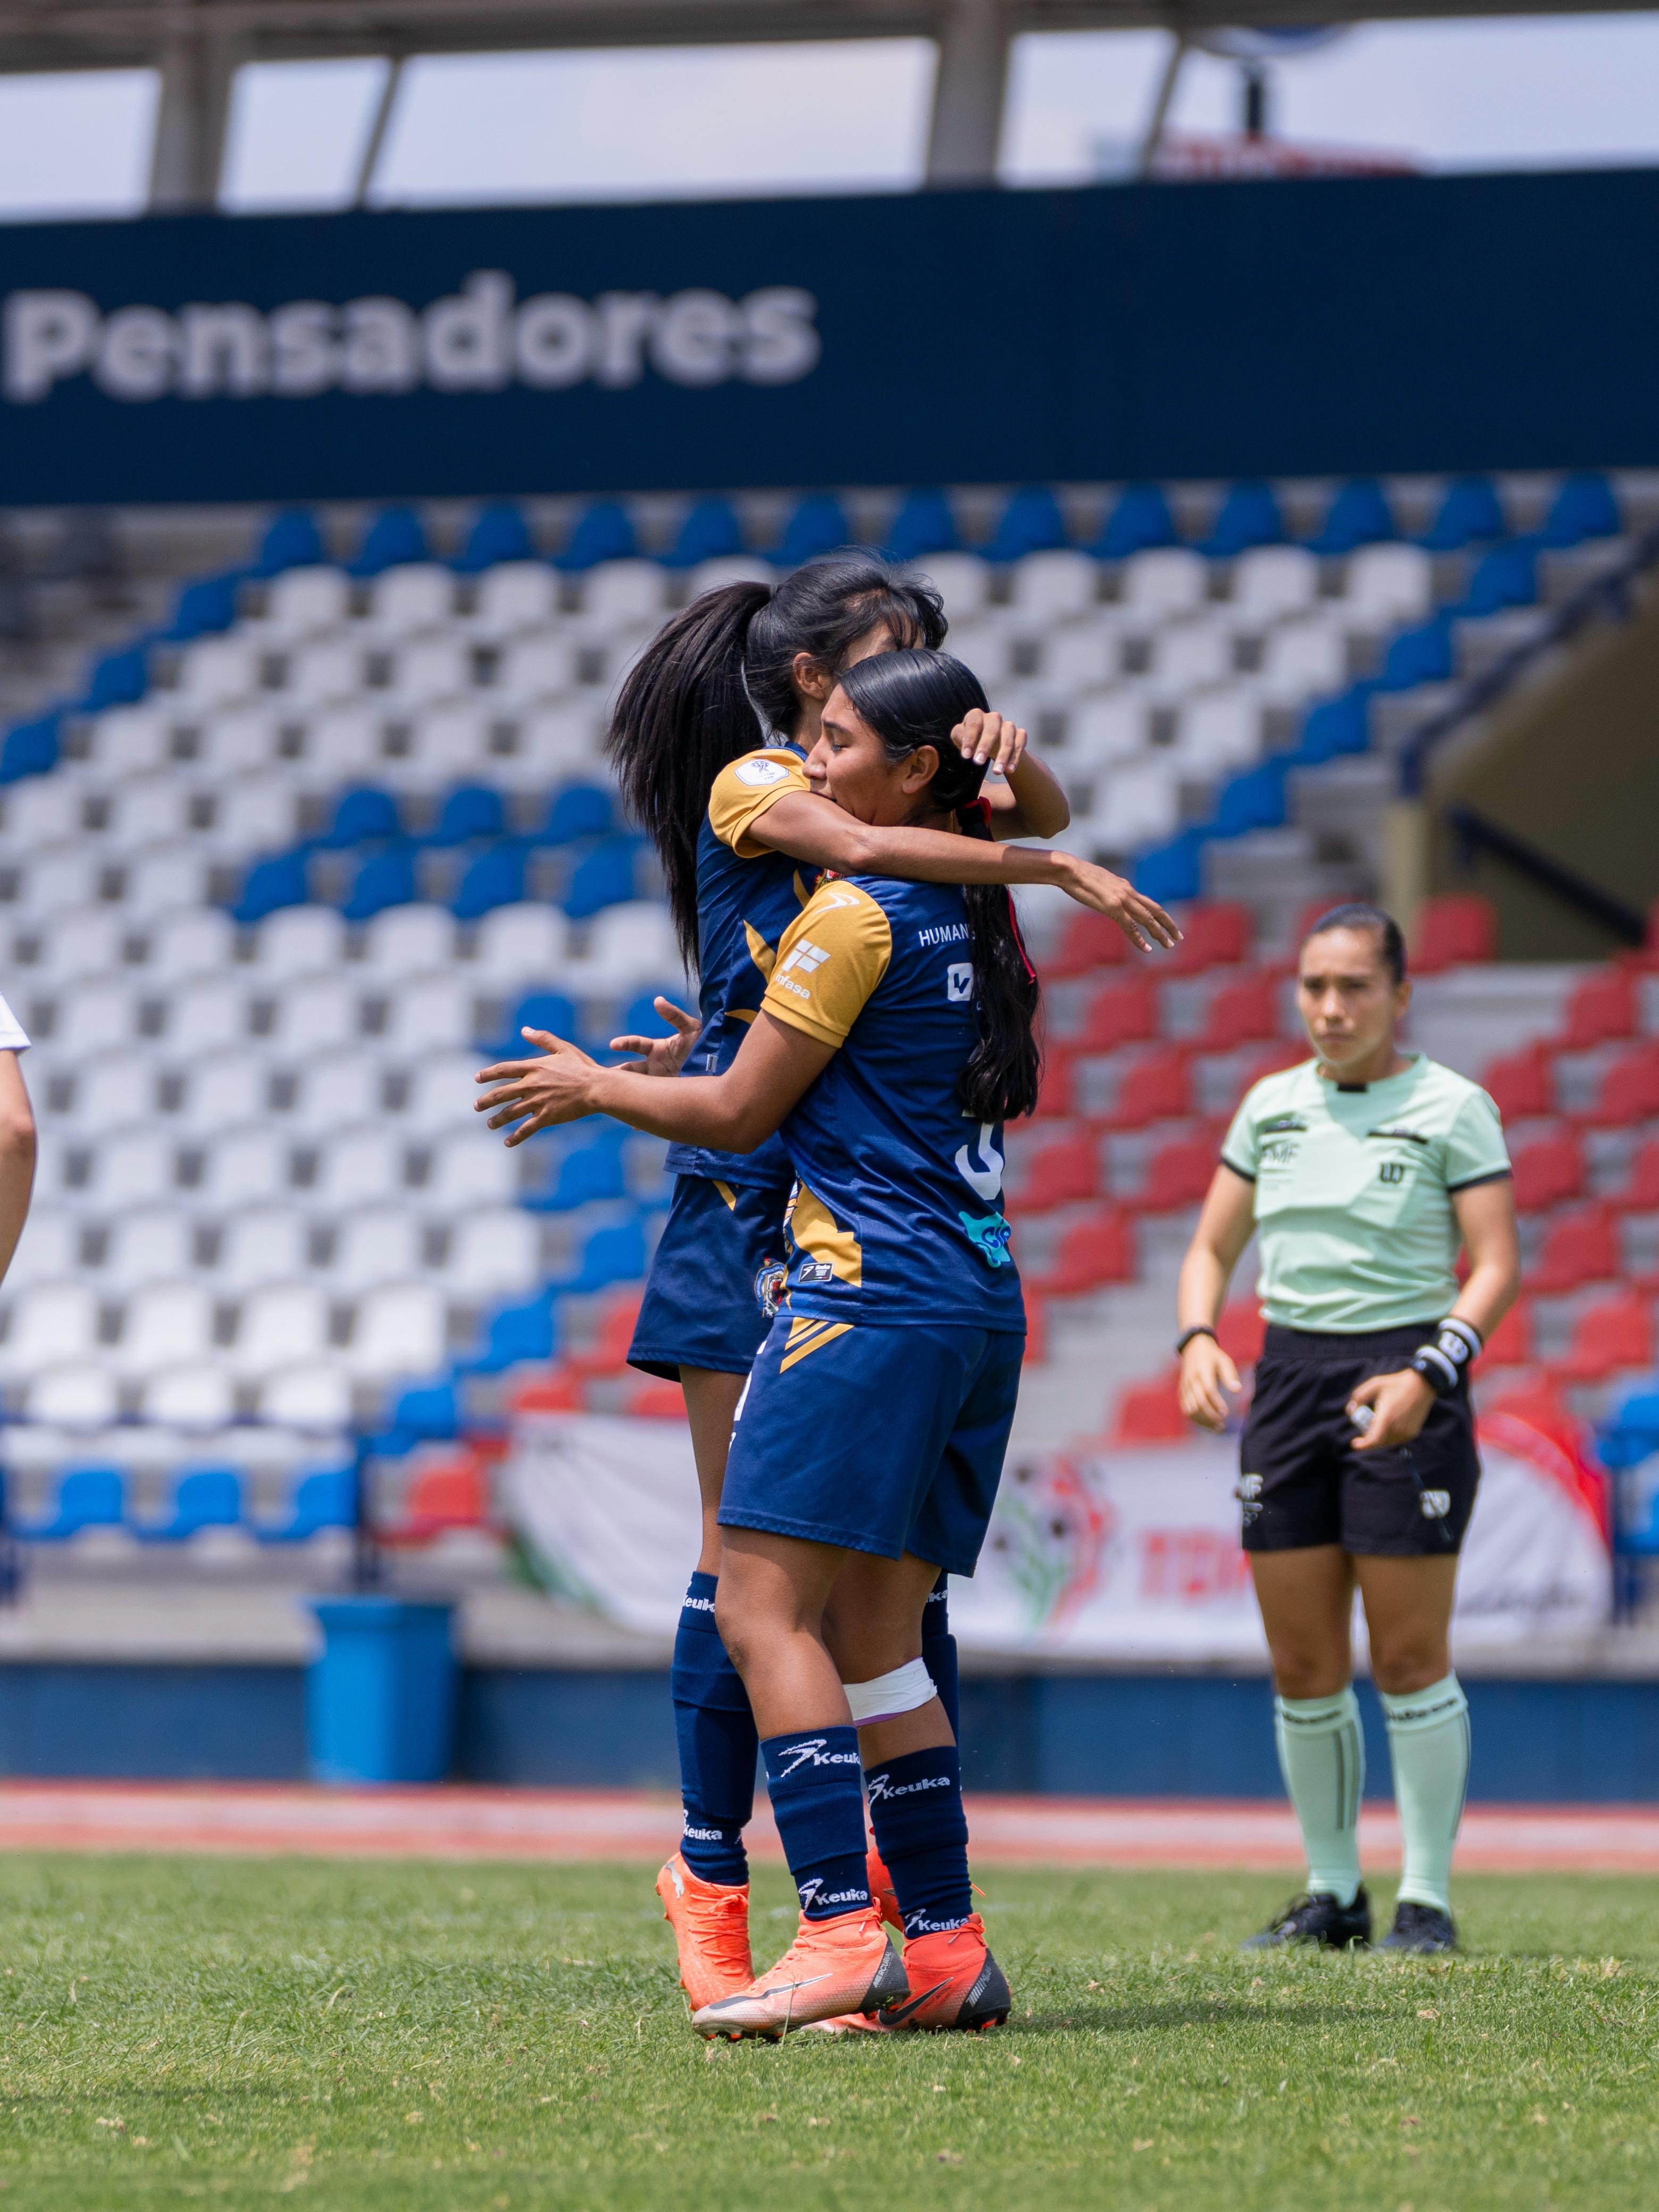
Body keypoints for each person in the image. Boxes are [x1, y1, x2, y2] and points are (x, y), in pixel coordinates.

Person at [600, 555, 1177, 2013]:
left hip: (842, 1218)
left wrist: (1007, 771)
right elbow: (896, 854)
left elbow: (1017, 820)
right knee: (754, 1571)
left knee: (833, 1600)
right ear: (813, 680)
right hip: (769, 1201)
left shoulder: (895, 859)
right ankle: (718, 1876)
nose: (917, 656)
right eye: (894, 645)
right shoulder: (774, 782)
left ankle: (881, 1926)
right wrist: (1041, 859)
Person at [479, 649, 1042, 2034]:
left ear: (918, 769)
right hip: (976, 1298)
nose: (814, 760)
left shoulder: (853, 912)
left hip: (861, 1303)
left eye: (839, 740)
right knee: (883, 1637)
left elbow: (740, 1115)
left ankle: (839, 1929)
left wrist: (598, 1085)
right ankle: (949, 1947)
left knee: (757, 1609)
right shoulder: (984, 914)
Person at [1175, 902, 1520, 1955]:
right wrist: (1197, 1336)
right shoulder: (1269, 1106)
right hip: (1287, 1383)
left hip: (1409, 1376)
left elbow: (1498, 1266)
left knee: (1410, 1656)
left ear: (1401, 995)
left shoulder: (1455, 1106)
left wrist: (1429, 1372)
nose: (1331, 1007)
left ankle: (1426, 1901)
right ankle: (1333, 1894)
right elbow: (1209, 1249)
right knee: (1302, 1664)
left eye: (1355, 986)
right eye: (1315, 986)